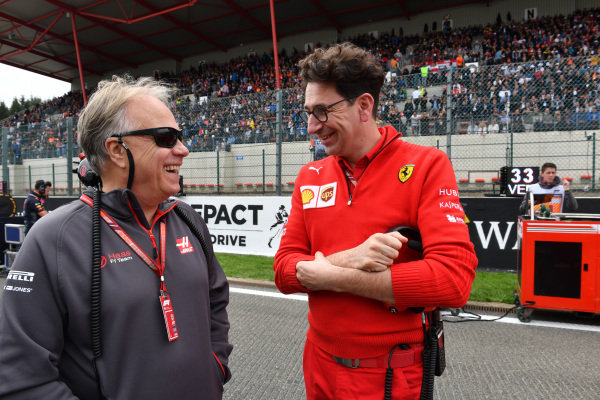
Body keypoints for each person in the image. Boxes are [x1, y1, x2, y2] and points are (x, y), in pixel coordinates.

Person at [0, 75, 232, 400]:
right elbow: (22, 378)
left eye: (179, 136)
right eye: (166, 138)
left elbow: (217, 301)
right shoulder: (53, 239)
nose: (183, 149)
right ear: (117, 150)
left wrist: (214, 367)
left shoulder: (187, 220)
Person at [273, 43, 478, 400]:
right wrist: (348, 259)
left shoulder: (427, 165)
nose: (310, 127)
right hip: (318, 364)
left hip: (390, 375)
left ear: (364, 106)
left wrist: (331, 276)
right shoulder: (311, 176)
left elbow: (453, 280)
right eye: (308, 112)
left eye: (321, 111)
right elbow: (284, 272)